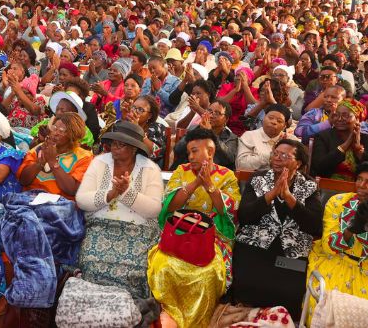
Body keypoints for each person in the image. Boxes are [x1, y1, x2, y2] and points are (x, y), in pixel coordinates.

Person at [148, 128, 241, 328]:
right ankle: (167, 316)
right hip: (179, 232)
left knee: (207, 272)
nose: (190, 156)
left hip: (213, 236)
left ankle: (197, 321)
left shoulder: (227, 176)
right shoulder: (181, 171)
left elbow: (229, 212)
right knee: (163, 264)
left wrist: (209, 185)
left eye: (195, 151)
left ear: (210, 151)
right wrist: (196, 182)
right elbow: (170, 206)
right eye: (189, 152)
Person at [232, 139, 322, 320]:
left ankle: (280, 320)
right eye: (275, 153)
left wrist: (289, 198)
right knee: (249, 283)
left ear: (299, 163)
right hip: (255, 244)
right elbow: (245, 216)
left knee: (288, 291)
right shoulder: (258, 179)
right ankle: (248, 316)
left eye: (285, 155)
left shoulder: (309, 185)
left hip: (291, 252)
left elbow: (314, 226)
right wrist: (271, 194)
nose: (277, 158)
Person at [76, 120, 163, 299]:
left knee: (137, 269)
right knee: (91, 261)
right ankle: (93, 305)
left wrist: (126, 193)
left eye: (121, 145)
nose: (114, 148)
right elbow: (82, 200)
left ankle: (129, 307)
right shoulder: (99, 162)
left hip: (139, 230)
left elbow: (154, 209)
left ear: (134, 149)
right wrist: (110, 195)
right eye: (114, 143)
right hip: (101, 226)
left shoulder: (150, 168)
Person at [306, 162, 368, 319]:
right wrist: (351, 229)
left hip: (364, 268)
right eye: (359, 179)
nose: (362, 185)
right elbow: (328, 246)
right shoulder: (338, 202)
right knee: (326, 308)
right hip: (335, 261)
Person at [19, 112, 93, 199]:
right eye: (54, 128)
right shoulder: (39, 148)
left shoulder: (85, 157)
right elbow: (23, 181)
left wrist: (52, 161)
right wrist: (39, 164)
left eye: (61, 131)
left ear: (73, 135)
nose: (55, 133)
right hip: (29, 198)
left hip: (59, 205)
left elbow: (72, 190)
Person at [172, 100, 238, 170]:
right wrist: (199, 131)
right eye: (210, 111)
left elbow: (228, 158)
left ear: (226, 119)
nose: (211, 115)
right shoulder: (198, 129)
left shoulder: (231, 138)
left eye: (217, 113)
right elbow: (178, 149)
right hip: (189, 171)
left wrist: (210, 133)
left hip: (215, 174)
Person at [311, 99, 368, 181]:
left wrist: (358, 149)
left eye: (346, 115)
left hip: (360, 189)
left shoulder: (365, 139)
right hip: (327, 188)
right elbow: (319, 168)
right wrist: (346, 144)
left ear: (357, 119)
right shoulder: (323, 137)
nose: (339, 119)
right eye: (336, 115)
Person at [237, 104, 300, 171]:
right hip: (254, 179)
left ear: (284, 126)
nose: (273, 122)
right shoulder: (249, 136)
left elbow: (299, 164)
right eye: (270, 118)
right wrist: (271, 155)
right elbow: (241, 165)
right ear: (263, 118)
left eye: (279, 121)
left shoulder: (292, 140)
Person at [217, 66, 258, 136]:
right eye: (237, 75)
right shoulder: (227, 86)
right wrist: (235, 90)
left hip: (244, 126)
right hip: (224, 122)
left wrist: (245, 87)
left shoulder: (254, 91)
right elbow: (219, 103)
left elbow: (254, 106)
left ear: (249, 80)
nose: (238, 78)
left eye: (242, 76)